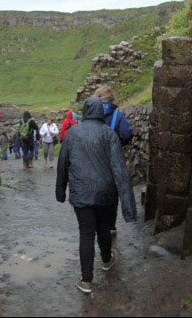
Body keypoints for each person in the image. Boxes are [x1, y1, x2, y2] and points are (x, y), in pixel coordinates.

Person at [56, 97, 137, 294]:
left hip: (81, 191)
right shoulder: (109, 134)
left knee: (86, 233)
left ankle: (86, 281)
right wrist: (128, 205)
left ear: (85, 111)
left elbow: (63, 164)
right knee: (103, 228)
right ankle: (107, 259)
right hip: (105, 192)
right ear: (101, 112)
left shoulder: (73, 133)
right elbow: (119, 169)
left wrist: (60, 191)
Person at [93, 85, 133, 231]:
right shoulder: (117, 116)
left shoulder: (92, 116)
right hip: (112, 159)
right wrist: (120, 144)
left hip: (95, 158)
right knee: (113, 190)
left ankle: (97, 219)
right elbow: (127, 133)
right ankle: (110, 224)